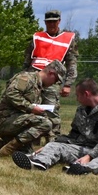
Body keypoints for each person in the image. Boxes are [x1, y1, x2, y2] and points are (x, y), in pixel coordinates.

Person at [13, 77, 98, 175]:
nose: (77, 99)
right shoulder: (81, 110)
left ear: (86, 94)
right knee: (55, 145)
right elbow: (73, 135)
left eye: (78, 96)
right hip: (82, 148)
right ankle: (38, 163)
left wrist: (90, 156)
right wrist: (52, 145)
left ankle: (83, 168)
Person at [0, 60, 66, 157]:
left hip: (16, 121)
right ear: (51, 73)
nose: (54, 83)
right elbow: (11, 93)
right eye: (55, 80)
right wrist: (31, 108)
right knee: (45, 123)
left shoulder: (38, 87)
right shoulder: (25, 79)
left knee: (26, 152)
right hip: (4, 120)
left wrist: (53, 143)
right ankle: (9, 149)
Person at [24, 9, 78, 138]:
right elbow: (27, 58)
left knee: (50, 109)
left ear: (59, 21)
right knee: (32, 108)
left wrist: (68, 84)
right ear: (45, 23)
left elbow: (72, 63)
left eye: (54, 22)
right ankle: (31, 139)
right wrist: (24, 76)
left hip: (52, 80)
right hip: (34, 78)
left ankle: (53, 140)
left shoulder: (67, 39)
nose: (51, 25)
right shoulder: (37, 37)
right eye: (49, 22)